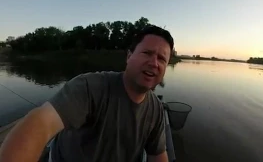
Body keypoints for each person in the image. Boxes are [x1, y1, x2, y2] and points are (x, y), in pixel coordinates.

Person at [0, 25, 174, 162]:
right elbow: (40, 124)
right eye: (147, 53)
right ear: (129, 56)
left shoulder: (156, 110)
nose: (154, 63)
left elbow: (157, 154)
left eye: (161, 59)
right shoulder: (89, 87)